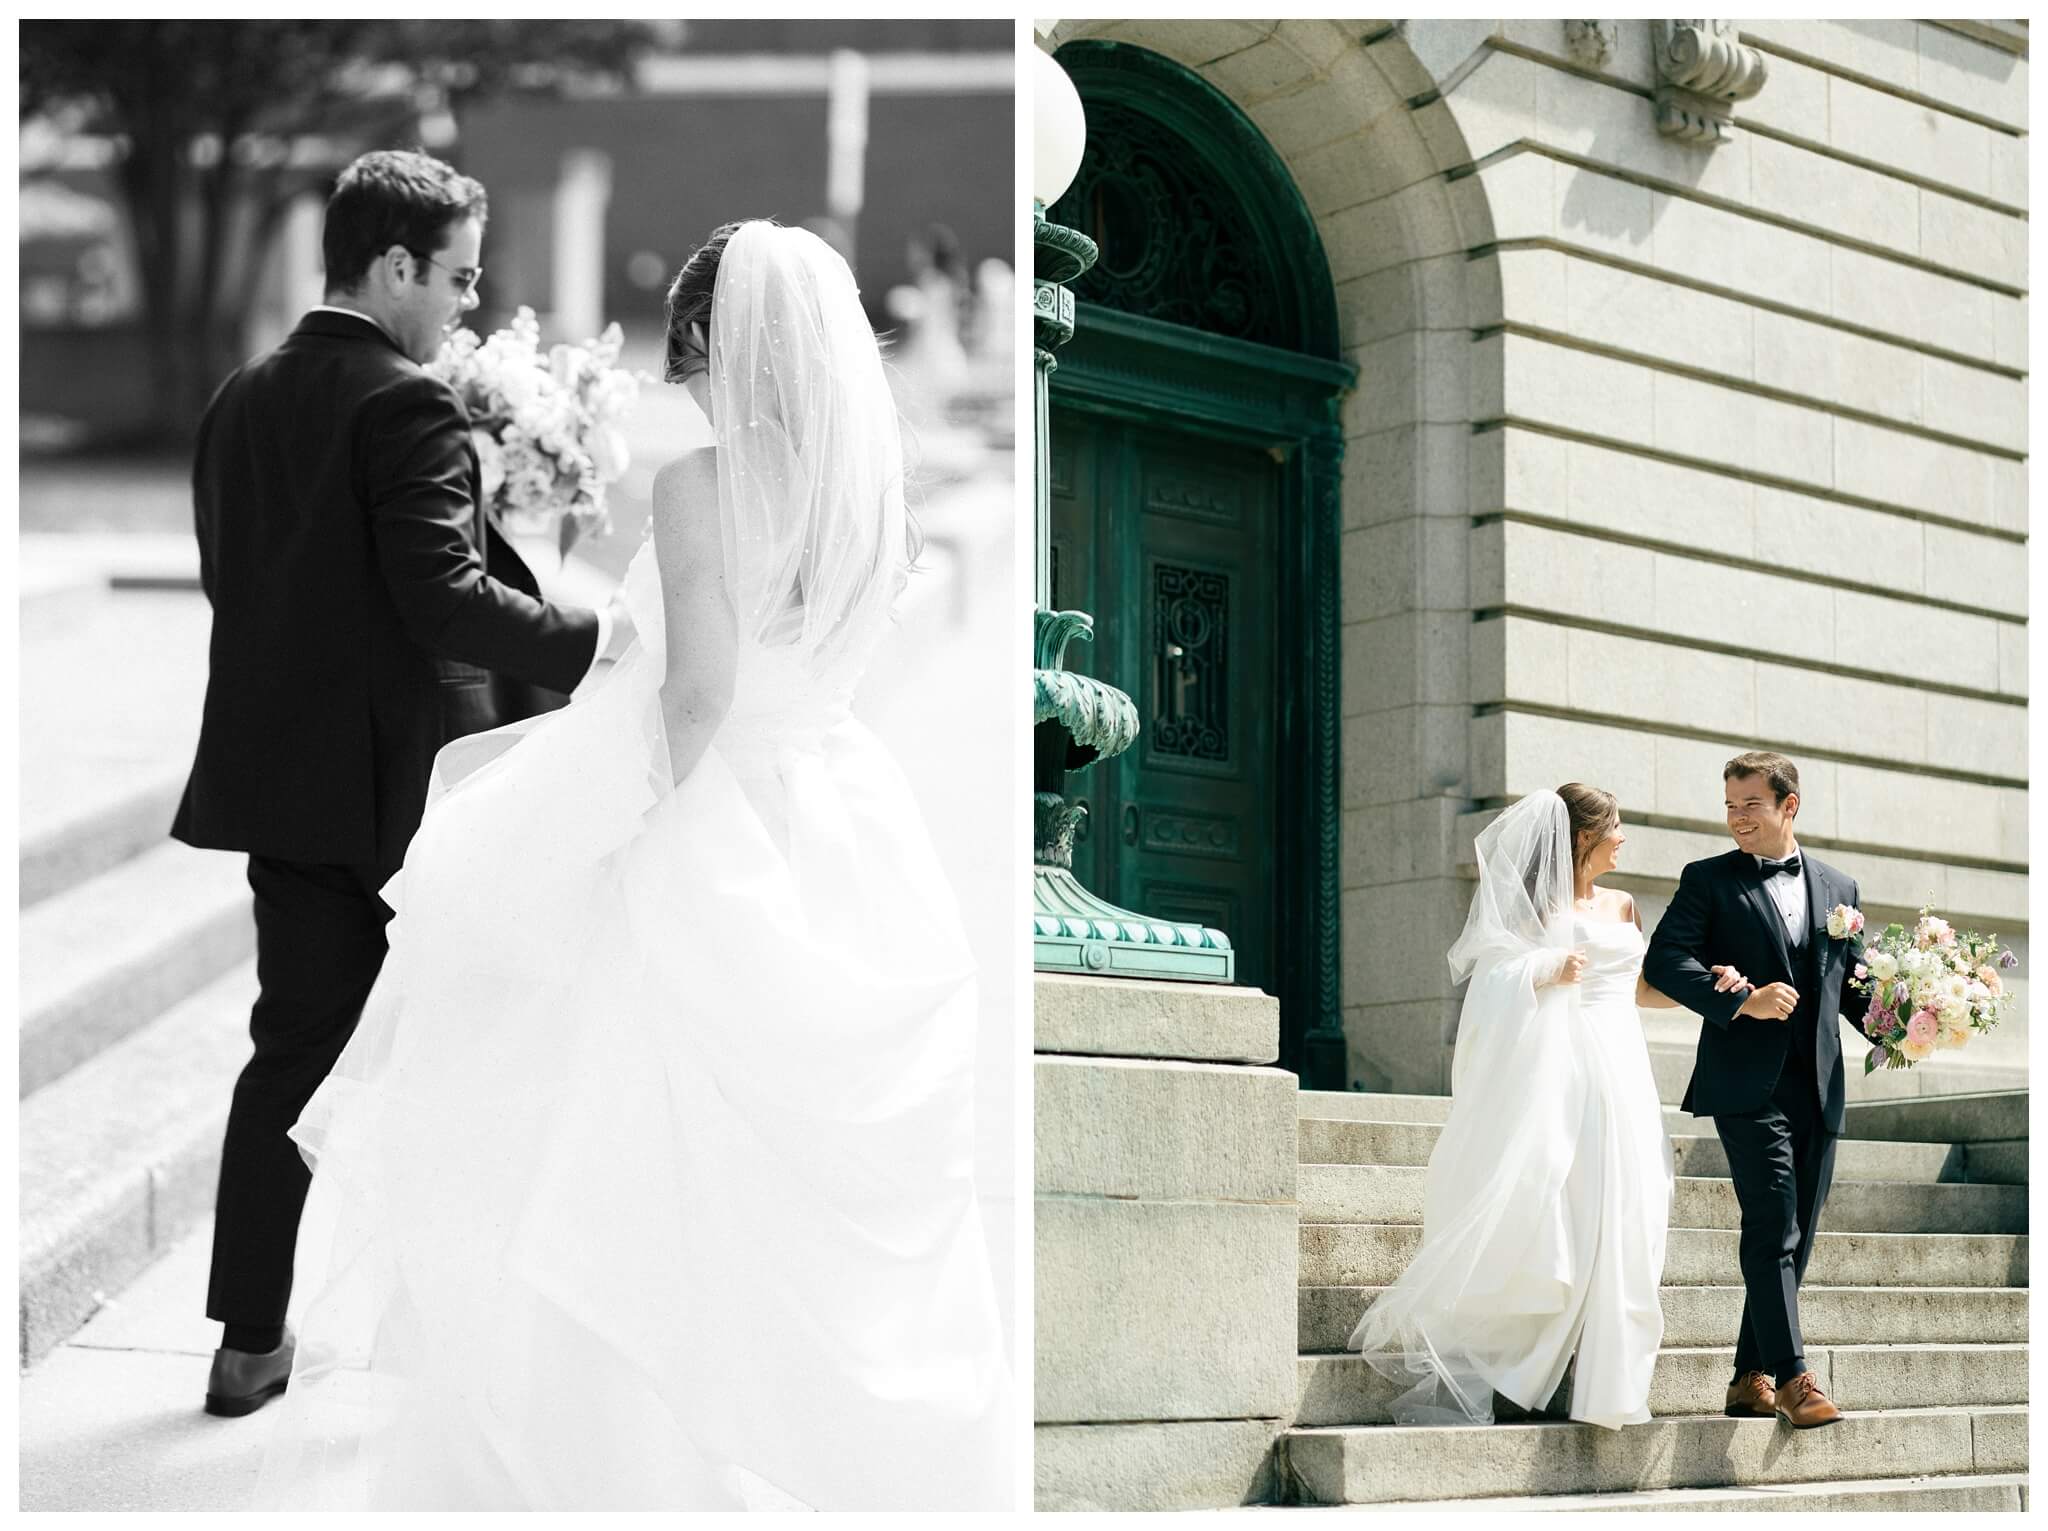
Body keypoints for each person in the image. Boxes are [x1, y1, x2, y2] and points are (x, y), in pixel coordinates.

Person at [250, 221, 1010, 1509]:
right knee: (773, 1180)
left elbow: (701, 694)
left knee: (622, 1147)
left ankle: (627, 1467)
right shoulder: (865, 490)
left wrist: (604, 822)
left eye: (692, 360)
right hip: (840, 825)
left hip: (709, 813)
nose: (689, 389)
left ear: (726, 345)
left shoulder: (706, 485)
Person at [171, 148, 633, 1418]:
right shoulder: (406, 405)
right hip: (412, 799)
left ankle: (249, 1342)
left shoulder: (240, 397)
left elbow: (246, 585)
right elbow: (443, 594)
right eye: (460, 280)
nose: (466, 311)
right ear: (393, 267)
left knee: (290, 1060)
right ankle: (451, 1347)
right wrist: (601, 646)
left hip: (283, 784)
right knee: (470, 1062)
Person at [1348, 784, 1749, 1429]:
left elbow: (1644, 990)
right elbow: (1490, 977)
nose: (1624, 837)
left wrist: (1712, 986)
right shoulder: (1534, 906)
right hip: (1566, 1065)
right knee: (1573, 1197)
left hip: (1624, 1065)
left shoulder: (1623, 906)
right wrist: (1542, 968)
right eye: (1615, 826)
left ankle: (1612, 1381)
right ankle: (1538, 1345)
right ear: (1584, 835)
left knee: (1636, 1202)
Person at [1643, 751, 1863, 1429]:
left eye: (1751, 805)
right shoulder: (1708, 880)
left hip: (1819, 1085)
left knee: (1795, 1238)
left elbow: (1853, 983)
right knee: (1772, 1222)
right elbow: (1664, 962)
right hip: (1745, 1084)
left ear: (1788, 805)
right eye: (1730, 805)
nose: (1737, 818)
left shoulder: (1839, 885)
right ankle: (1795, 1378)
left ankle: (1748, 1376)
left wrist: (1913, 1017)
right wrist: (1739, 999)